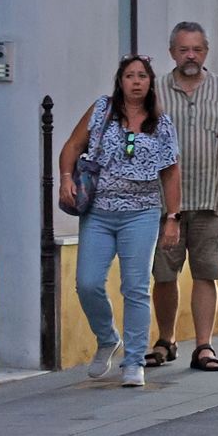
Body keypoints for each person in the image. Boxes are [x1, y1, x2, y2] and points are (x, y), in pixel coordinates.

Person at [58, 56, 182, 387]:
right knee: (87, 282)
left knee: (136, 287)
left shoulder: (162, 123)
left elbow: (170, 171)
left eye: (143, 76)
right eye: (130, 75)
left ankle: (133, 361)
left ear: (151, 83)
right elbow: (72, 145)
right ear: (120, 80)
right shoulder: (102, 110)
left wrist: (172, 217)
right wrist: (66, 177)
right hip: (98, 212)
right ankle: (107, 337)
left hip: (141, 214)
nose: (136, 81)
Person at [150, 22, 218, 372]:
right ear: (172, 52)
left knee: (206, 272)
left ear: (206, 52)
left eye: (197, 49)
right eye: (183, 50)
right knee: (164, 274)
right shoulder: (157, 89)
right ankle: (166, 340)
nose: (190, 56)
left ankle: (204, 346)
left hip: (210, 196)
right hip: (166, 204)